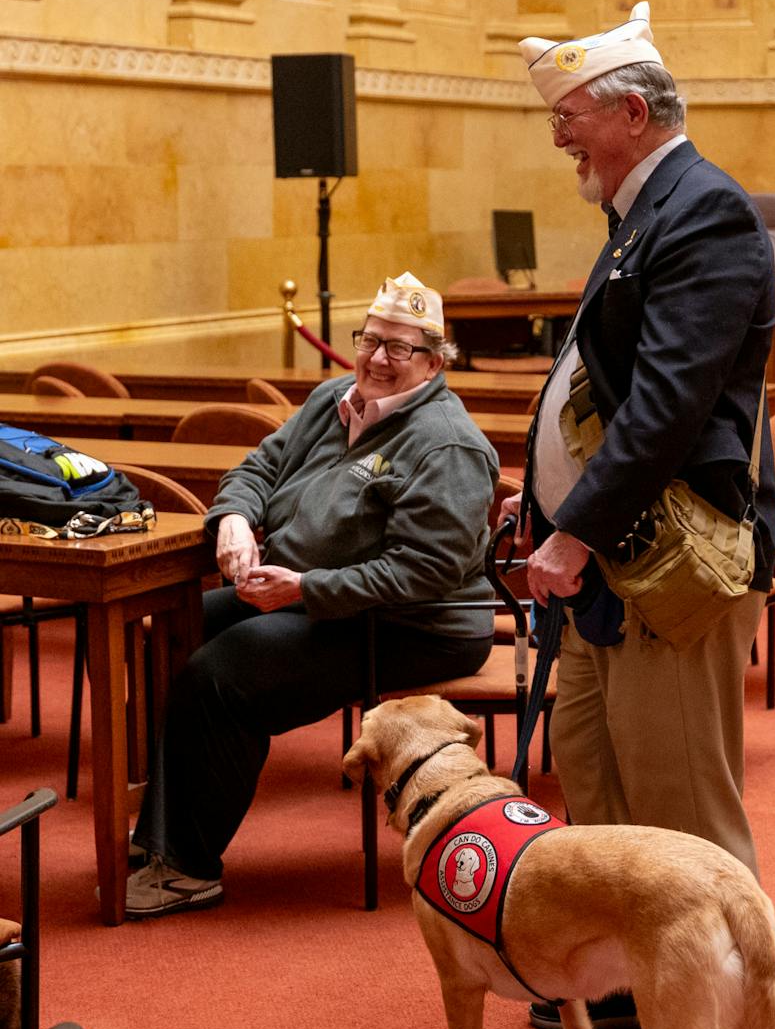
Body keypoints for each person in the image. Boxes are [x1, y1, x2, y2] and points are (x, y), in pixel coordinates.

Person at [503, 2, 775, 1029]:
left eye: (568, 116)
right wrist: (541, 507)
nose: (558, 137)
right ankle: (628, 987)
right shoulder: (641, 213)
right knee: (600, 783)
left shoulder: (705, 212)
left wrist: (570, 532)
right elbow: (600, 389)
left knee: (681, 807)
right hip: (604, 567)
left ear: (631, 112)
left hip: (664, 566)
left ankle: (715, 1015)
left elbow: (667, 408)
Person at [126, 272, 499, 918]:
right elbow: (257, 468)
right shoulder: (334, 399)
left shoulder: (447, 443)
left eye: (400, 348)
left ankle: (186, 866)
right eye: (370, 340)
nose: (377, 358)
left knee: (225, 670)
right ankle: (162, 829)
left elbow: (426, 571)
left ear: (435, 364)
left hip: (415, 623)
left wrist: (306, 587)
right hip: (311, 594)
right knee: (171, 629)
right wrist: (234, 518)